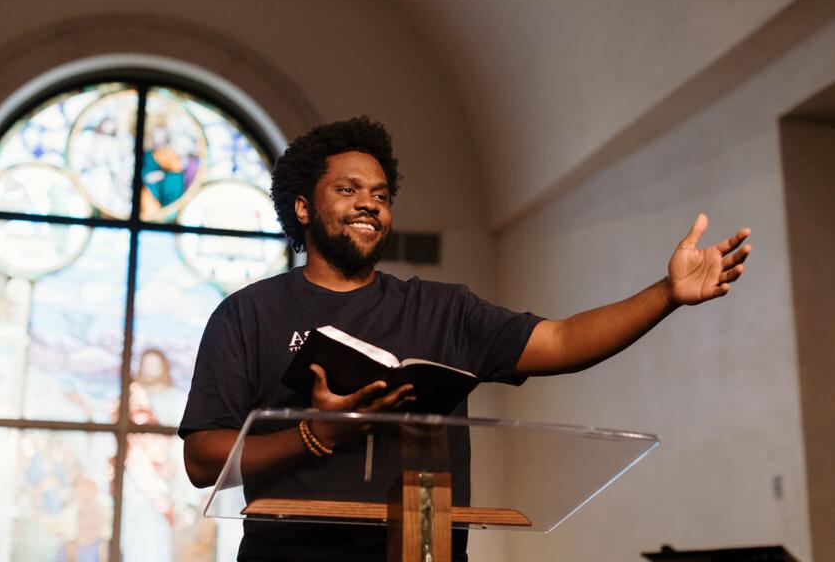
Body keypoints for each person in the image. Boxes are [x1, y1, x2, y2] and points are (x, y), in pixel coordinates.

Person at [178, 116, 751, 561]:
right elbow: (203, 459)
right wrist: (316, 434)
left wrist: (666, 294)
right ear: (303, 207)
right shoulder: (247, 314)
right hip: (291, 555)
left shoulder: (443, 310)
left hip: (424, 552)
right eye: (348, 190)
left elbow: (562, 341)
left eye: (380, 194)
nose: (369, 205)